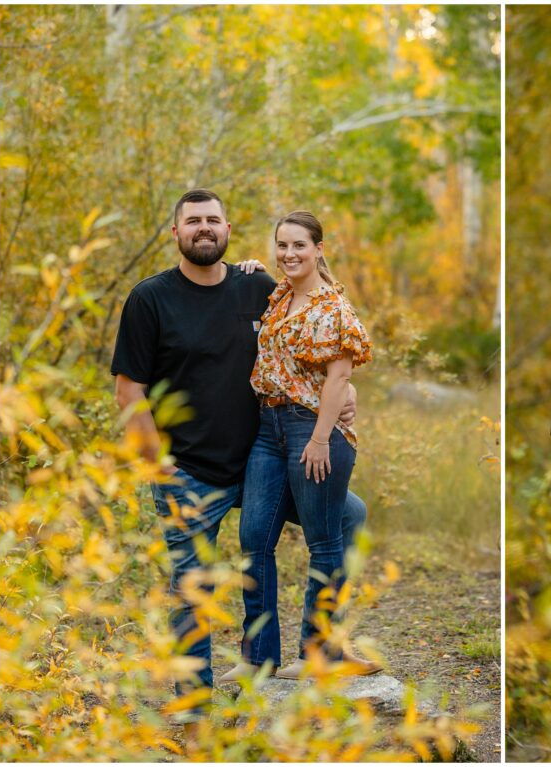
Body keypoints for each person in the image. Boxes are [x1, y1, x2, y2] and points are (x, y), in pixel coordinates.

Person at [111, 189, 370, 731]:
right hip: (190, 471)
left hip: (265, 460)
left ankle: (318, 647)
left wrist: (341, 395)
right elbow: (128, 390)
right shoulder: (150, 299)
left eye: (213, 220)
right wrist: (157, 464)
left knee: (348, 516)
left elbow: (315, 328)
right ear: (175, 232)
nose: (204, 228)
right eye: (193, 221)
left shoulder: (258, 286)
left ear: (227, 228)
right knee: (193, 585)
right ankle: (196, 709)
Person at [222, 210, 373, 682]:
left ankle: (318, 654)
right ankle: (258, 657)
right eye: (282, 245)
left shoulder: (332, 307)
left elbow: (340, 375)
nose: (289, 254)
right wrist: (246, 266)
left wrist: (322, 437)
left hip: (313, 429)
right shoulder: (279, 294)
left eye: (299, 246)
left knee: (324, 541)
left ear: (319, 249)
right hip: (268, 428)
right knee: (254, 539)